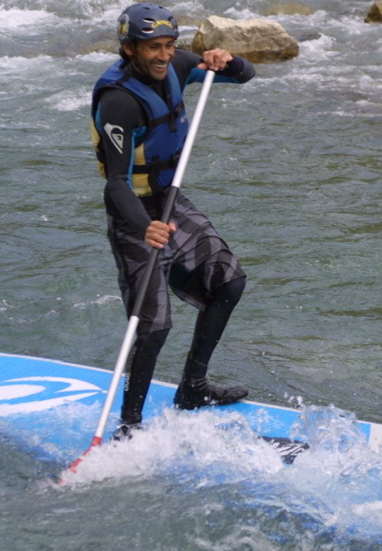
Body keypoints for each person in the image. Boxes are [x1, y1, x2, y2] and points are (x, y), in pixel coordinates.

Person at [91, 3, 256, 439]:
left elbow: (245, 75)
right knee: (154, 325)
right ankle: (130, 422)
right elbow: (116, 185)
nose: (164, 56)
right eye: (152, 48)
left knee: (229, 281)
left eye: (169, 45)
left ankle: (193, 387)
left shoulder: (180, 65)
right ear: (129, 49)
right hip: (134, 215)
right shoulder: (118, 101)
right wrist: (143, 227)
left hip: (170, 202)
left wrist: (227, 59)